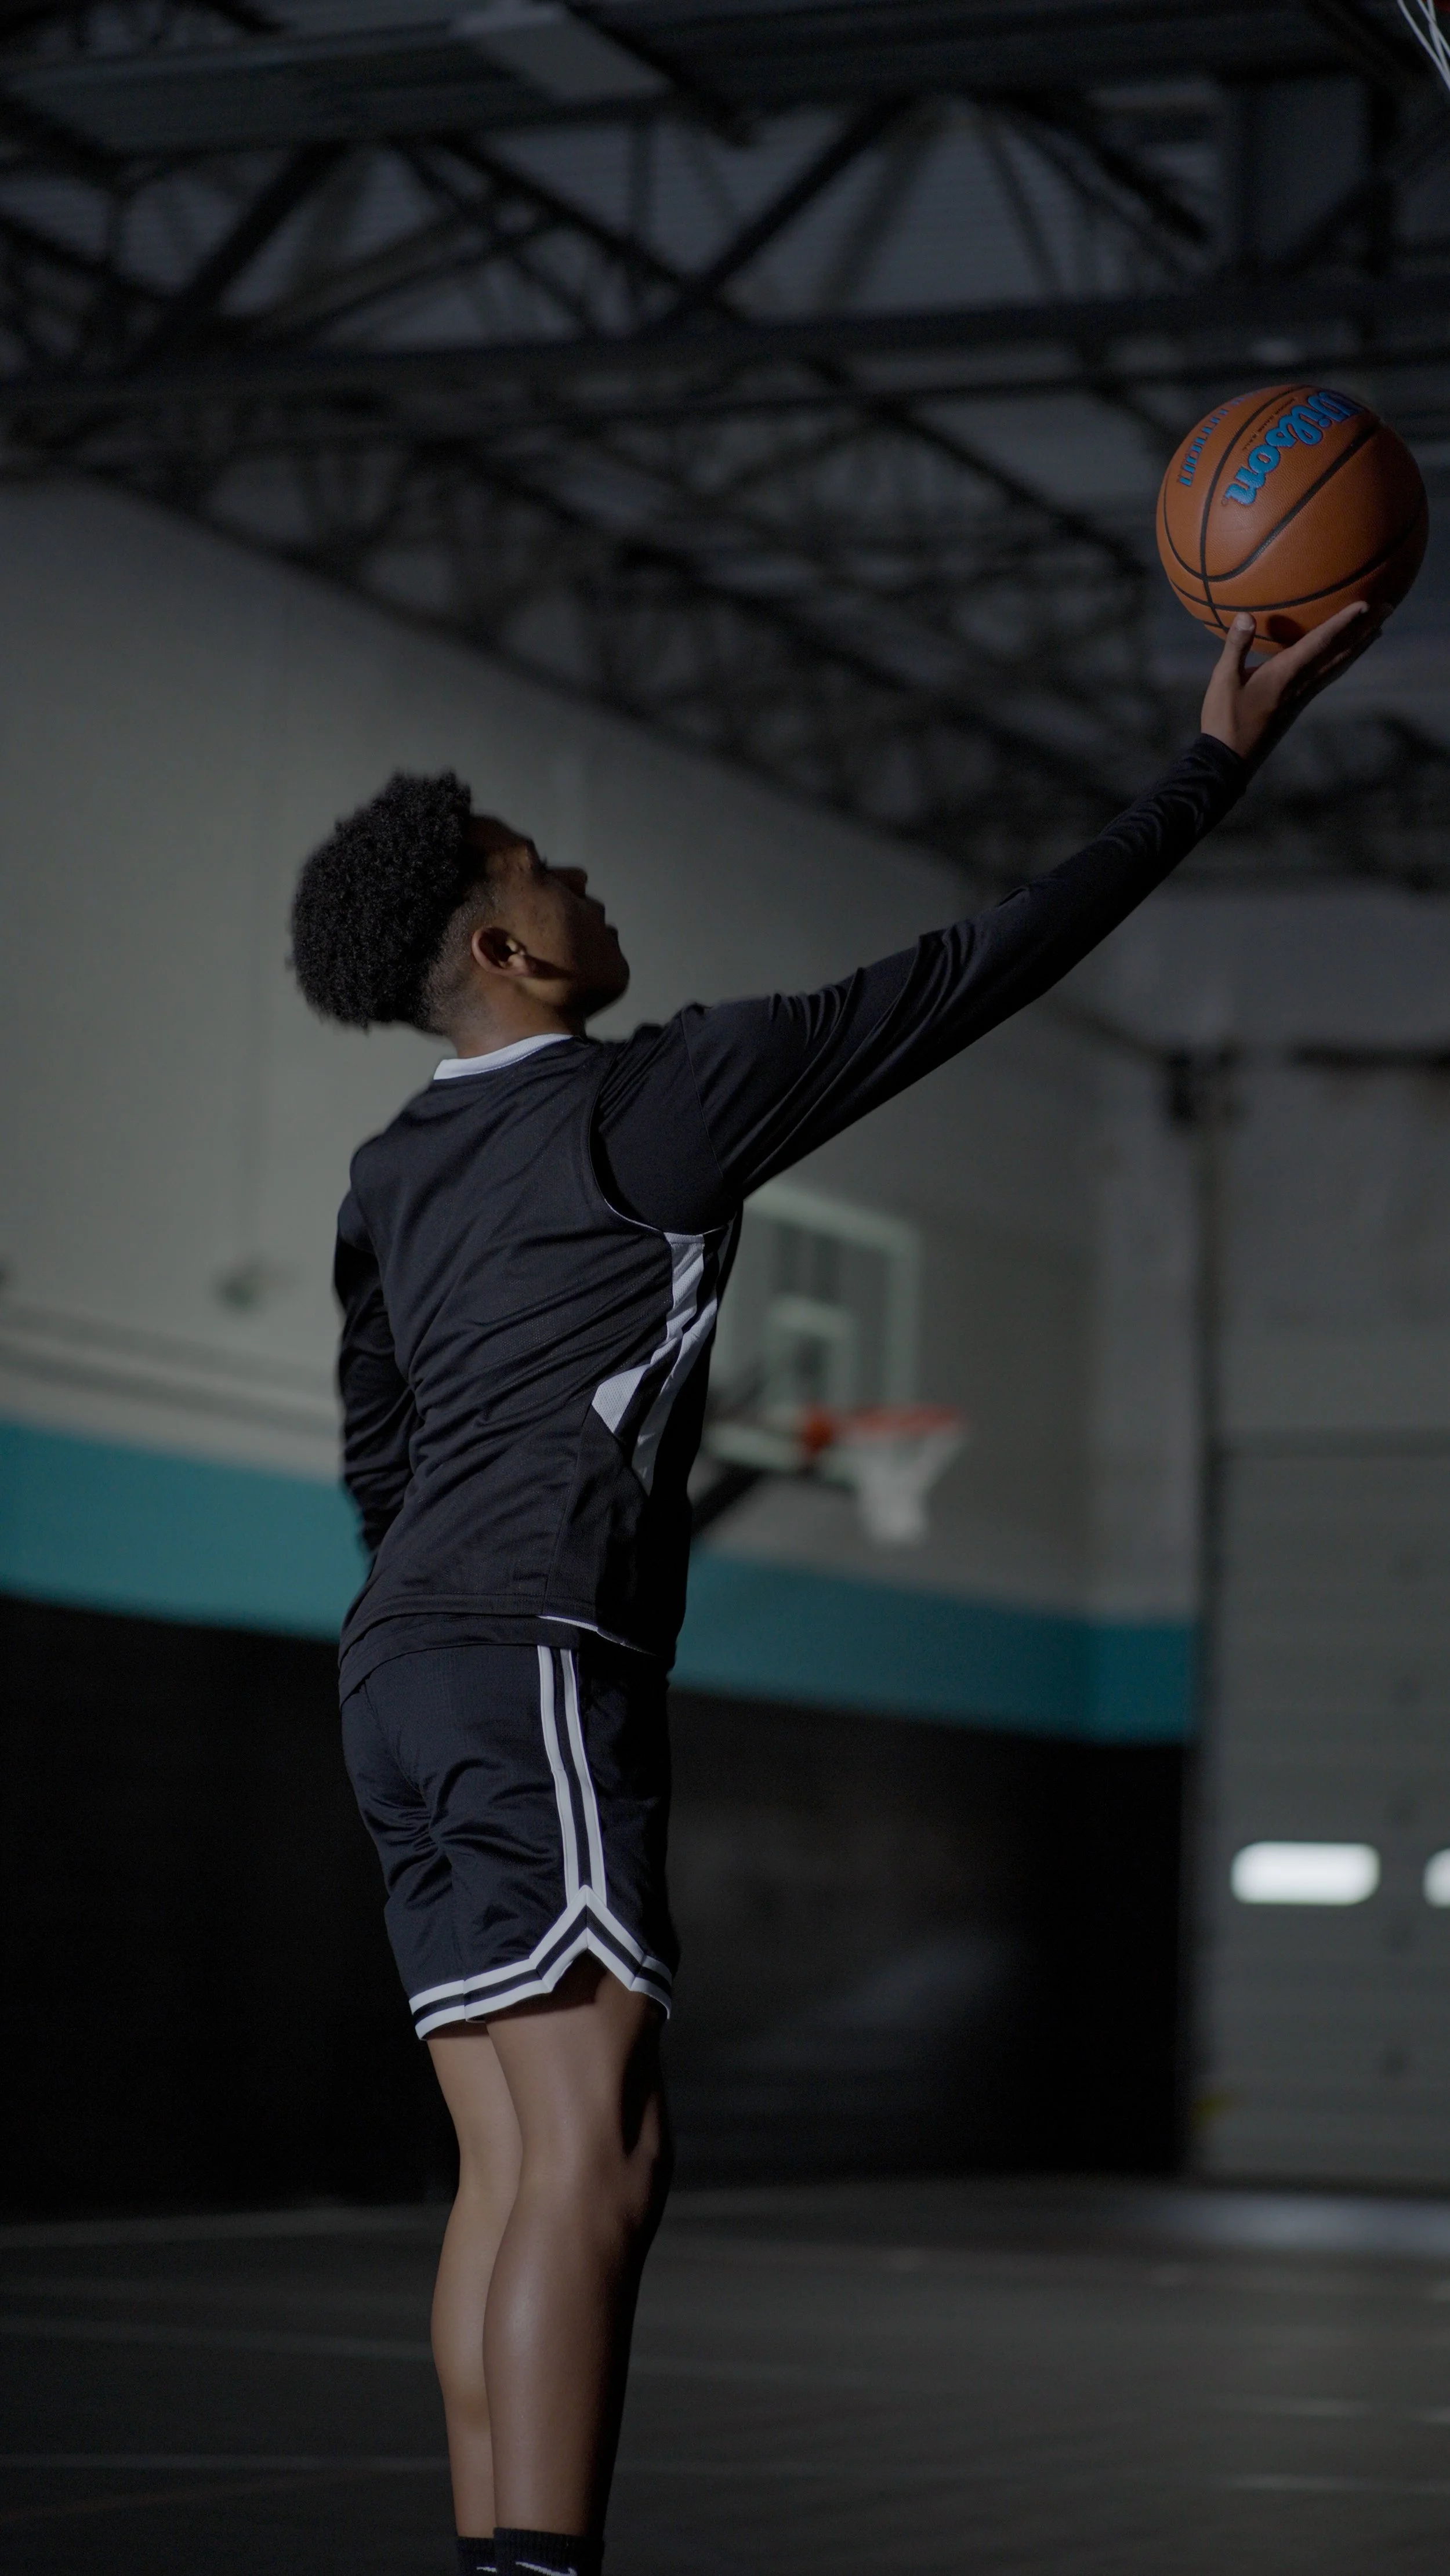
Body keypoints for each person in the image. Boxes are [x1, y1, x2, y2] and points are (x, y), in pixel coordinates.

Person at [288, 605, 1376, 2576]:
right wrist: (1207, 772)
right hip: (532, 1653)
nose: (585, 878)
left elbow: (378, 1447)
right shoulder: (653, 1100)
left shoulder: (391, 1174)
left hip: (401, 1672)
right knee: (600, 2156)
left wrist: (453, 1608)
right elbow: (973, 970)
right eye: (552, 865)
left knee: (511, 2161)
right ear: (506, 950)